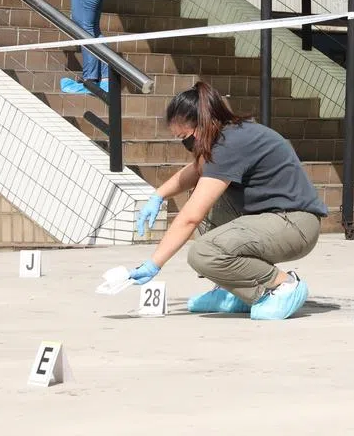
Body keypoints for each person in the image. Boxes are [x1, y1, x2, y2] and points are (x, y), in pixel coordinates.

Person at [130, 82, 328, 320]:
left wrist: (154, 263)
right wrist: (158, 195)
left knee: (203, 253)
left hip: (295, 225)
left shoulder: (229, 145)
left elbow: (191, 217)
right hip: (275, 219)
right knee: (207, 199)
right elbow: (196, 170)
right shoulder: (227, 135)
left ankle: (284, 285)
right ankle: (235, 291)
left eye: (184, 137)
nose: (184, 144)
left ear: (202, 124)